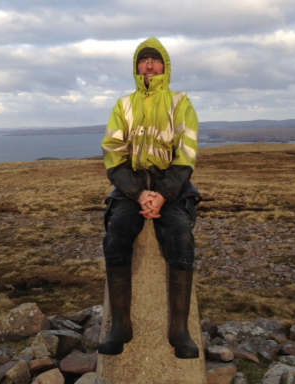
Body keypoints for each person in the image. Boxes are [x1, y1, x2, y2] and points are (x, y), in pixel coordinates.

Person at [98, 36, 201, 359]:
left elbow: (186, 154)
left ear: (165, 66)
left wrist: (163, 194)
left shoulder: (180, 102)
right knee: (115, 235)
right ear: (136, 67)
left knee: (181, 237)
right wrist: (140, 193)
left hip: (172, 185)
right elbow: (113, 154)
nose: (149, 65)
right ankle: (121, 327)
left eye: (155, 60)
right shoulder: (123, 105)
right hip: (132, 186)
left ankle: (179, 330)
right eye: (143, 60)